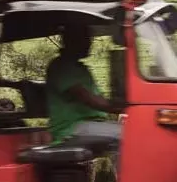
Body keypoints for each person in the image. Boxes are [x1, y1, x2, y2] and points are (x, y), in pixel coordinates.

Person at [45, 25, 124, 159]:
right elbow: (88, 99)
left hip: (89, 125)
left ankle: (117, 178)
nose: (90, 43)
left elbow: (99, 100)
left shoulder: (81, 69)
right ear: (72, 40)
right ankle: (128, 180)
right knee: (128, 136)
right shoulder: (61, 66)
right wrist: (126, 107)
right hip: (71, 129)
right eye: (86, 39)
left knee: (129, 133)